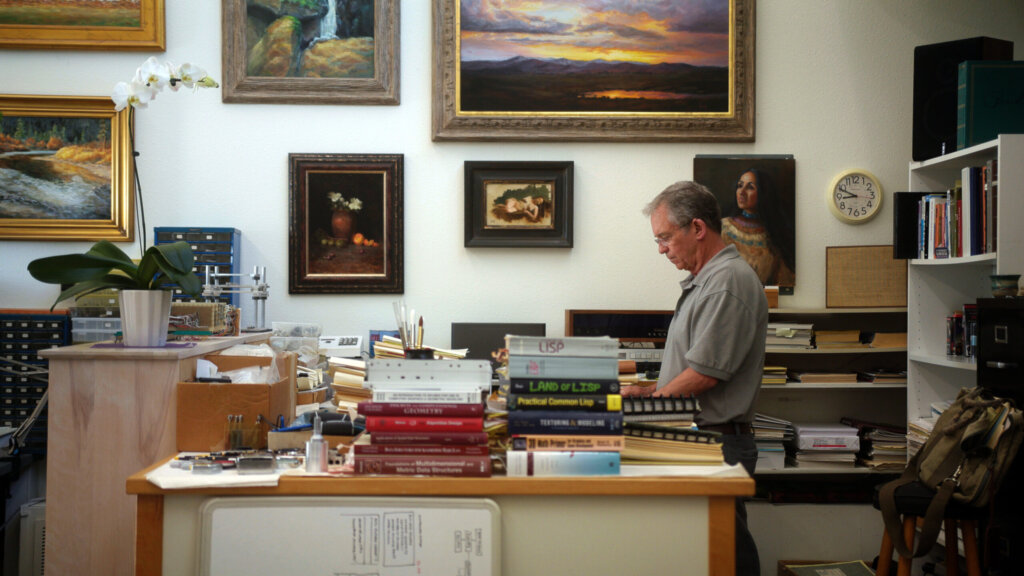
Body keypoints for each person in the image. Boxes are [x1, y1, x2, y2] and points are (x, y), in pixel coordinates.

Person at [627, 180, 767, 576]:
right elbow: (694, 368)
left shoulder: (727, 282)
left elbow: (705, 374)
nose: (662, 249)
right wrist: (652, 390)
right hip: (704, 437)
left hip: (715, 441)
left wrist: (646, 406)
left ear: (698, 229)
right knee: (700, 552)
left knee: (724, 553)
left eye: (666, 238)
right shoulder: (708, 281)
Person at [720, 168, 795, 288]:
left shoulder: (775, 235)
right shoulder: (723, 228)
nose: (741, 192)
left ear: (763, 193)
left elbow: (784, 283)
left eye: (750, 187)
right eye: (740, 186)